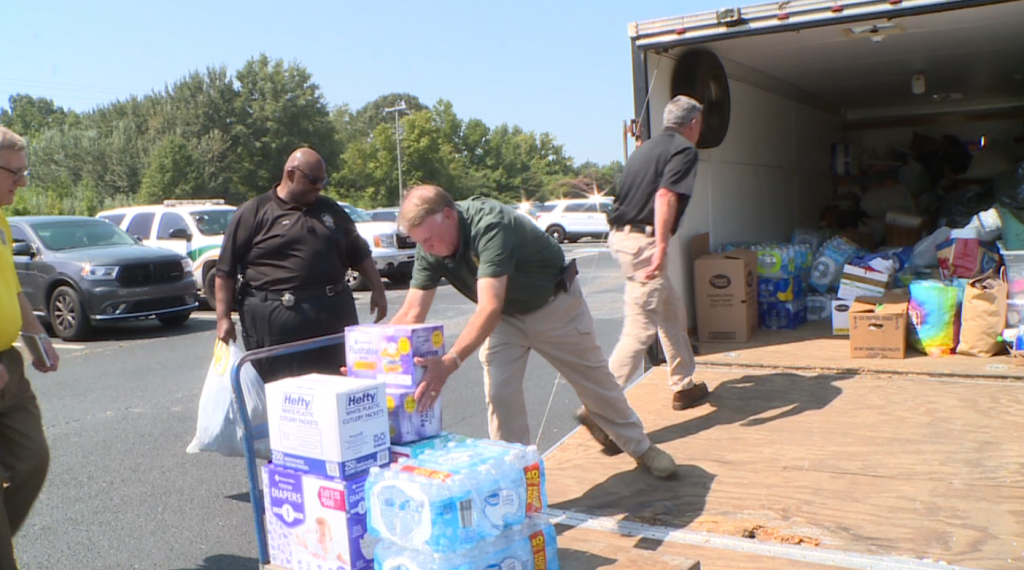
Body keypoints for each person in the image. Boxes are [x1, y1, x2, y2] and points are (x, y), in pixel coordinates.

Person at [389, 184, 676, 478]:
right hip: (505, 319)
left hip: (553, 305)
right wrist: (371, 358)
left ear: (448, 215)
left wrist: (450, 362)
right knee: (500, 394)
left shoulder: (489, 224)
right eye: (419, 242)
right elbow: (412, 312)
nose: (426, 248)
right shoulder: (430, 246)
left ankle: (641, 448)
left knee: (595, 383)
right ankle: (516, 477)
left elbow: (489, 306)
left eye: (429, 239)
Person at [215, 148, 387, 382]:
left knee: (340, 389)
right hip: (277, 322)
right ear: (291, 173)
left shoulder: (330, 210)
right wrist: (223, 318)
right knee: (284, 396)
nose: (319, 187)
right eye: (314, 180)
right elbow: (225, 270)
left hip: (333, 315)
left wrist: (378, 288)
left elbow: (359, 252)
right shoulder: (255, 211)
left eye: (323, 181)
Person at [607, 94, 710, 415]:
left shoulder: (647, 148)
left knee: (671, 312)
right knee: (638, 331)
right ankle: (599, 406)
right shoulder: (683, 150)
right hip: (645, 243)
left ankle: (683, 385)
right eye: (700, 124)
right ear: (693, 124)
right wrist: (662, 246)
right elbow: (665, 195)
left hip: (622, 237)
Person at [0, 126, 59, 570]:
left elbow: (13, 290)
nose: (22, 182)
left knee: (32, 461)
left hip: (8, 368)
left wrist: (36, 340)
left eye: (25, 172)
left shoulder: (1, 219)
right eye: (14, 173)